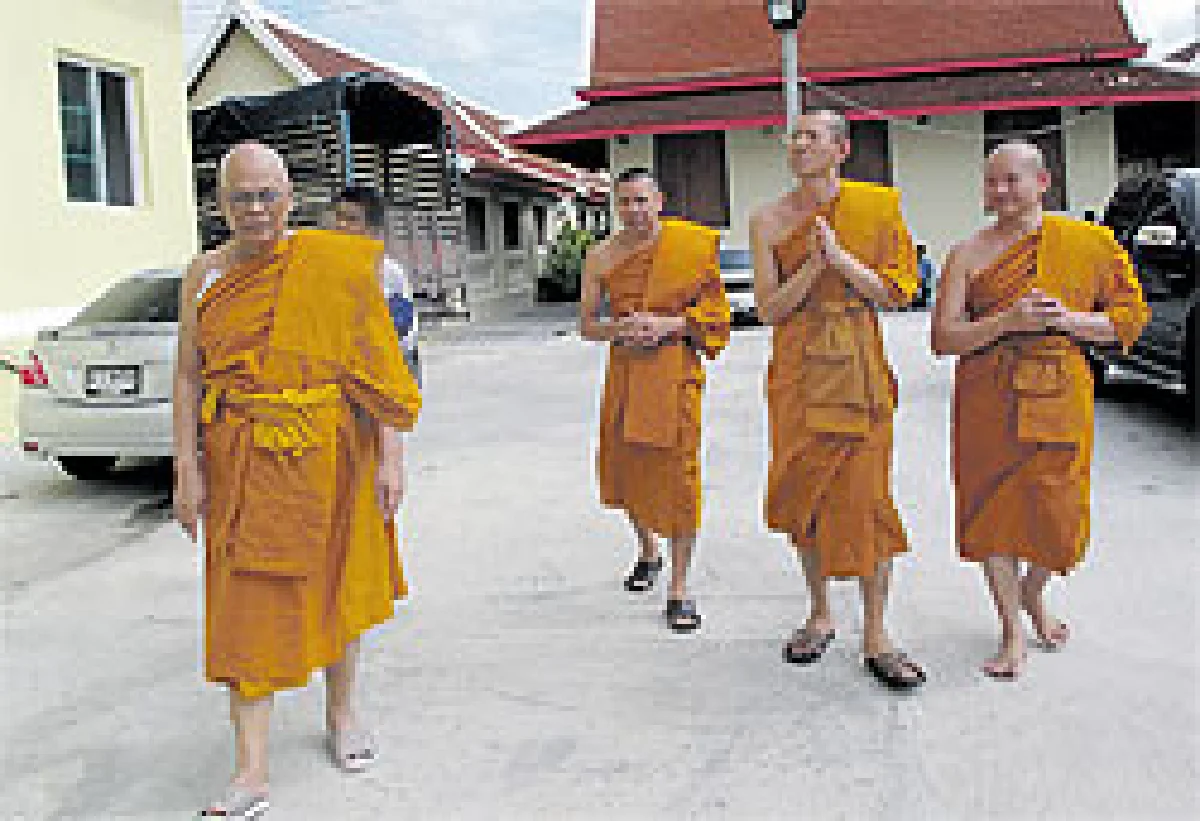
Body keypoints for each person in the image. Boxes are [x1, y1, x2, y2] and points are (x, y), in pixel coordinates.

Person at [174, 142, 421, 818]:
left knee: (340, 583)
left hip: (336, 452)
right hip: (243, 459)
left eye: (268, 195)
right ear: (219, 203)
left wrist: (391, 458)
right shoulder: (203, 276)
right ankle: (251, 768)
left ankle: (342, 713)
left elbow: (372, 369)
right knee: (246, 605)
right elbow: (190, 375)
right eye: (241, 198)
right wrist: (186, 465)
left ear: (291, 196)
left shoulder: (336, 266)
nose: (256, 211)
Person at [931, 141, 1149, 680]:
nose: (999, 191)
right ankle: (1011, 631)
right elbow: (943, 338)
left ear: (1043, 183)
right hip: (987, 396)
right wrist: (1006, 322)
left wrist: (1066, 319)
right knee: (990, 517)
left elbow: (1129, 321)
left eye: (1011, 180)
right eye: (990, 182)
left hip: (1058, 391)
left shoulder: (1088, 244)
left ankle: (1033, 594)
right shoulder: (966, 254)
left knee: (1060, 518)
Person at [749, 110, 926, 690]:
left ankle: (877, 634)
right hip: (799, 368)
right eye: (793, 137)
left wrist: (843, 261)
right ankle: (820, 612)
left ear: (841, 149)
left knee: (869, 499)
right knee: (808, 493)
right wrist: (812, 268)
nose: (798, 145)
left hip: (857, 362)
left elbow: (898, 293)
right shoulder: (768, 219)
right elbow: (769, 308)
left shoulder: (877, 208)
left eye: (811, 137)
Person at [579, 168, 731, 632]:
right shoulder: (601, 256)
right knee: (625, 469)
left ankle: (680, 589)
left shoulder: (689, 248)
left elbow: (717, 313)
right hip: (627, 370)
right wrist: (619, 329)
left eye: (642, 201)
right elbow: (587, 325)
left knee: (680, 477)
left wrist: (671, 325)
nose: (634, 212)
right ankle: (647, 548)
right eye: (625, 203)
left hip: (675, 371)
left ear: (659, 201)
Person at [331, 187, 421, 386]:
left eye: (351, 219)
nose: (340, 225)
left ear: (372, 229)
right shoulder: (320, 267)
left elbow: (404, 332)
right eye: (338, 216)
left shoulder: (389, 273)